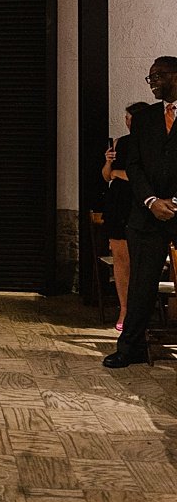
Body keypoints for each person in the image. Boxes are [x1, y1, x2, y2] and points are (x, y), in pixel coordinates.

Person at [104, 57, 177, 369]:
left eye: (158, 76)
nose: (153, 82)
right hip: (146, 214)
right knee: (141, 284)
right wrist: (151, 200)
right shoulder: (146, 117)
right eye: (150, 78)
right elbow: (133, 164)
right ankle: (130, 348)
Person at [102, 101, 150, 331]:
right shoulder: (122, 142)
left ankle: (141, 311)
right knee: (121, 260)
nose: (127, 122)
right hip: (118, 202)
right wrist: (108, 162)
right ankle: (124, 308)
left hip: (139, 202)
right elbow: (107, 176)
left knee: (140, 260)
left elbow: (139, 177)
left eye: (130, 118)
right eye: (126, 118)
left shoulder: (151, 143)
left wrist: (119, 173)